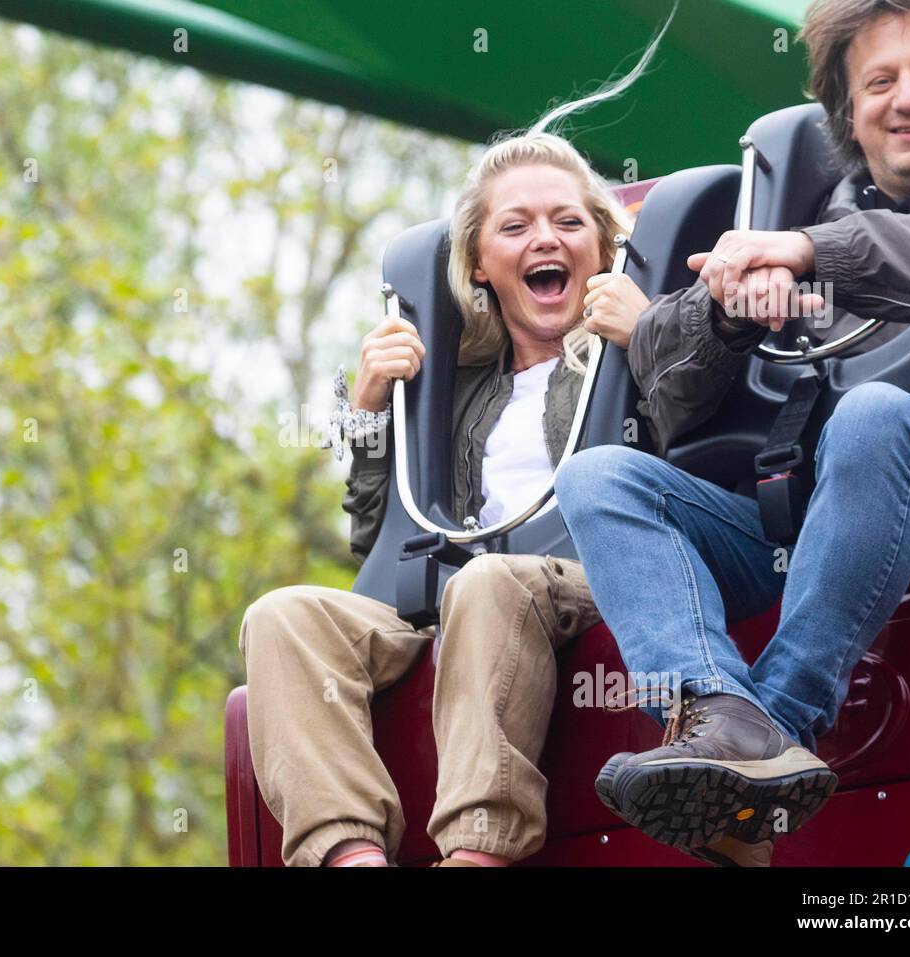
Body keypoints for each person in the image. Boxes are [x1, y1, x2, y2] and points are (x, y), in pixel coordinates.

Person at [556, 0, 910, 866]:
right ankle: (714, 712)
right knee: (602, 477)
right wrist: (722, 313)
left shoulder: (822, 232)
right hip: (806, 514)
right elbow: (662, 371)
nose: (906, 99)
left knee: (875, 414)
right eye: (879, 82)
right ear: (845, 112)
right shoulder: (808, 206)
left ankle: (776, 724)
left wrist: (811, 252)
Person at [235, 56, 672, 865]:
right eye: (515, 226)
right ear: (479, 264)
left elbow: (699, 456)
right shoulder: (459, 391)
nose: (545, 238)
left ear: (605, 245)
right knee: (283, 616)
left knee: (489, 583)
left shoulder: (633, 347)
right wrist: (367, 411)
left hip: (581, 578)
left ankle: (477, 849)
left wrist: (651, 337)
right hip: (451, 592)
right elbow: (379, 538)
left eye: (569, 223)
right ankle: (348, 852)